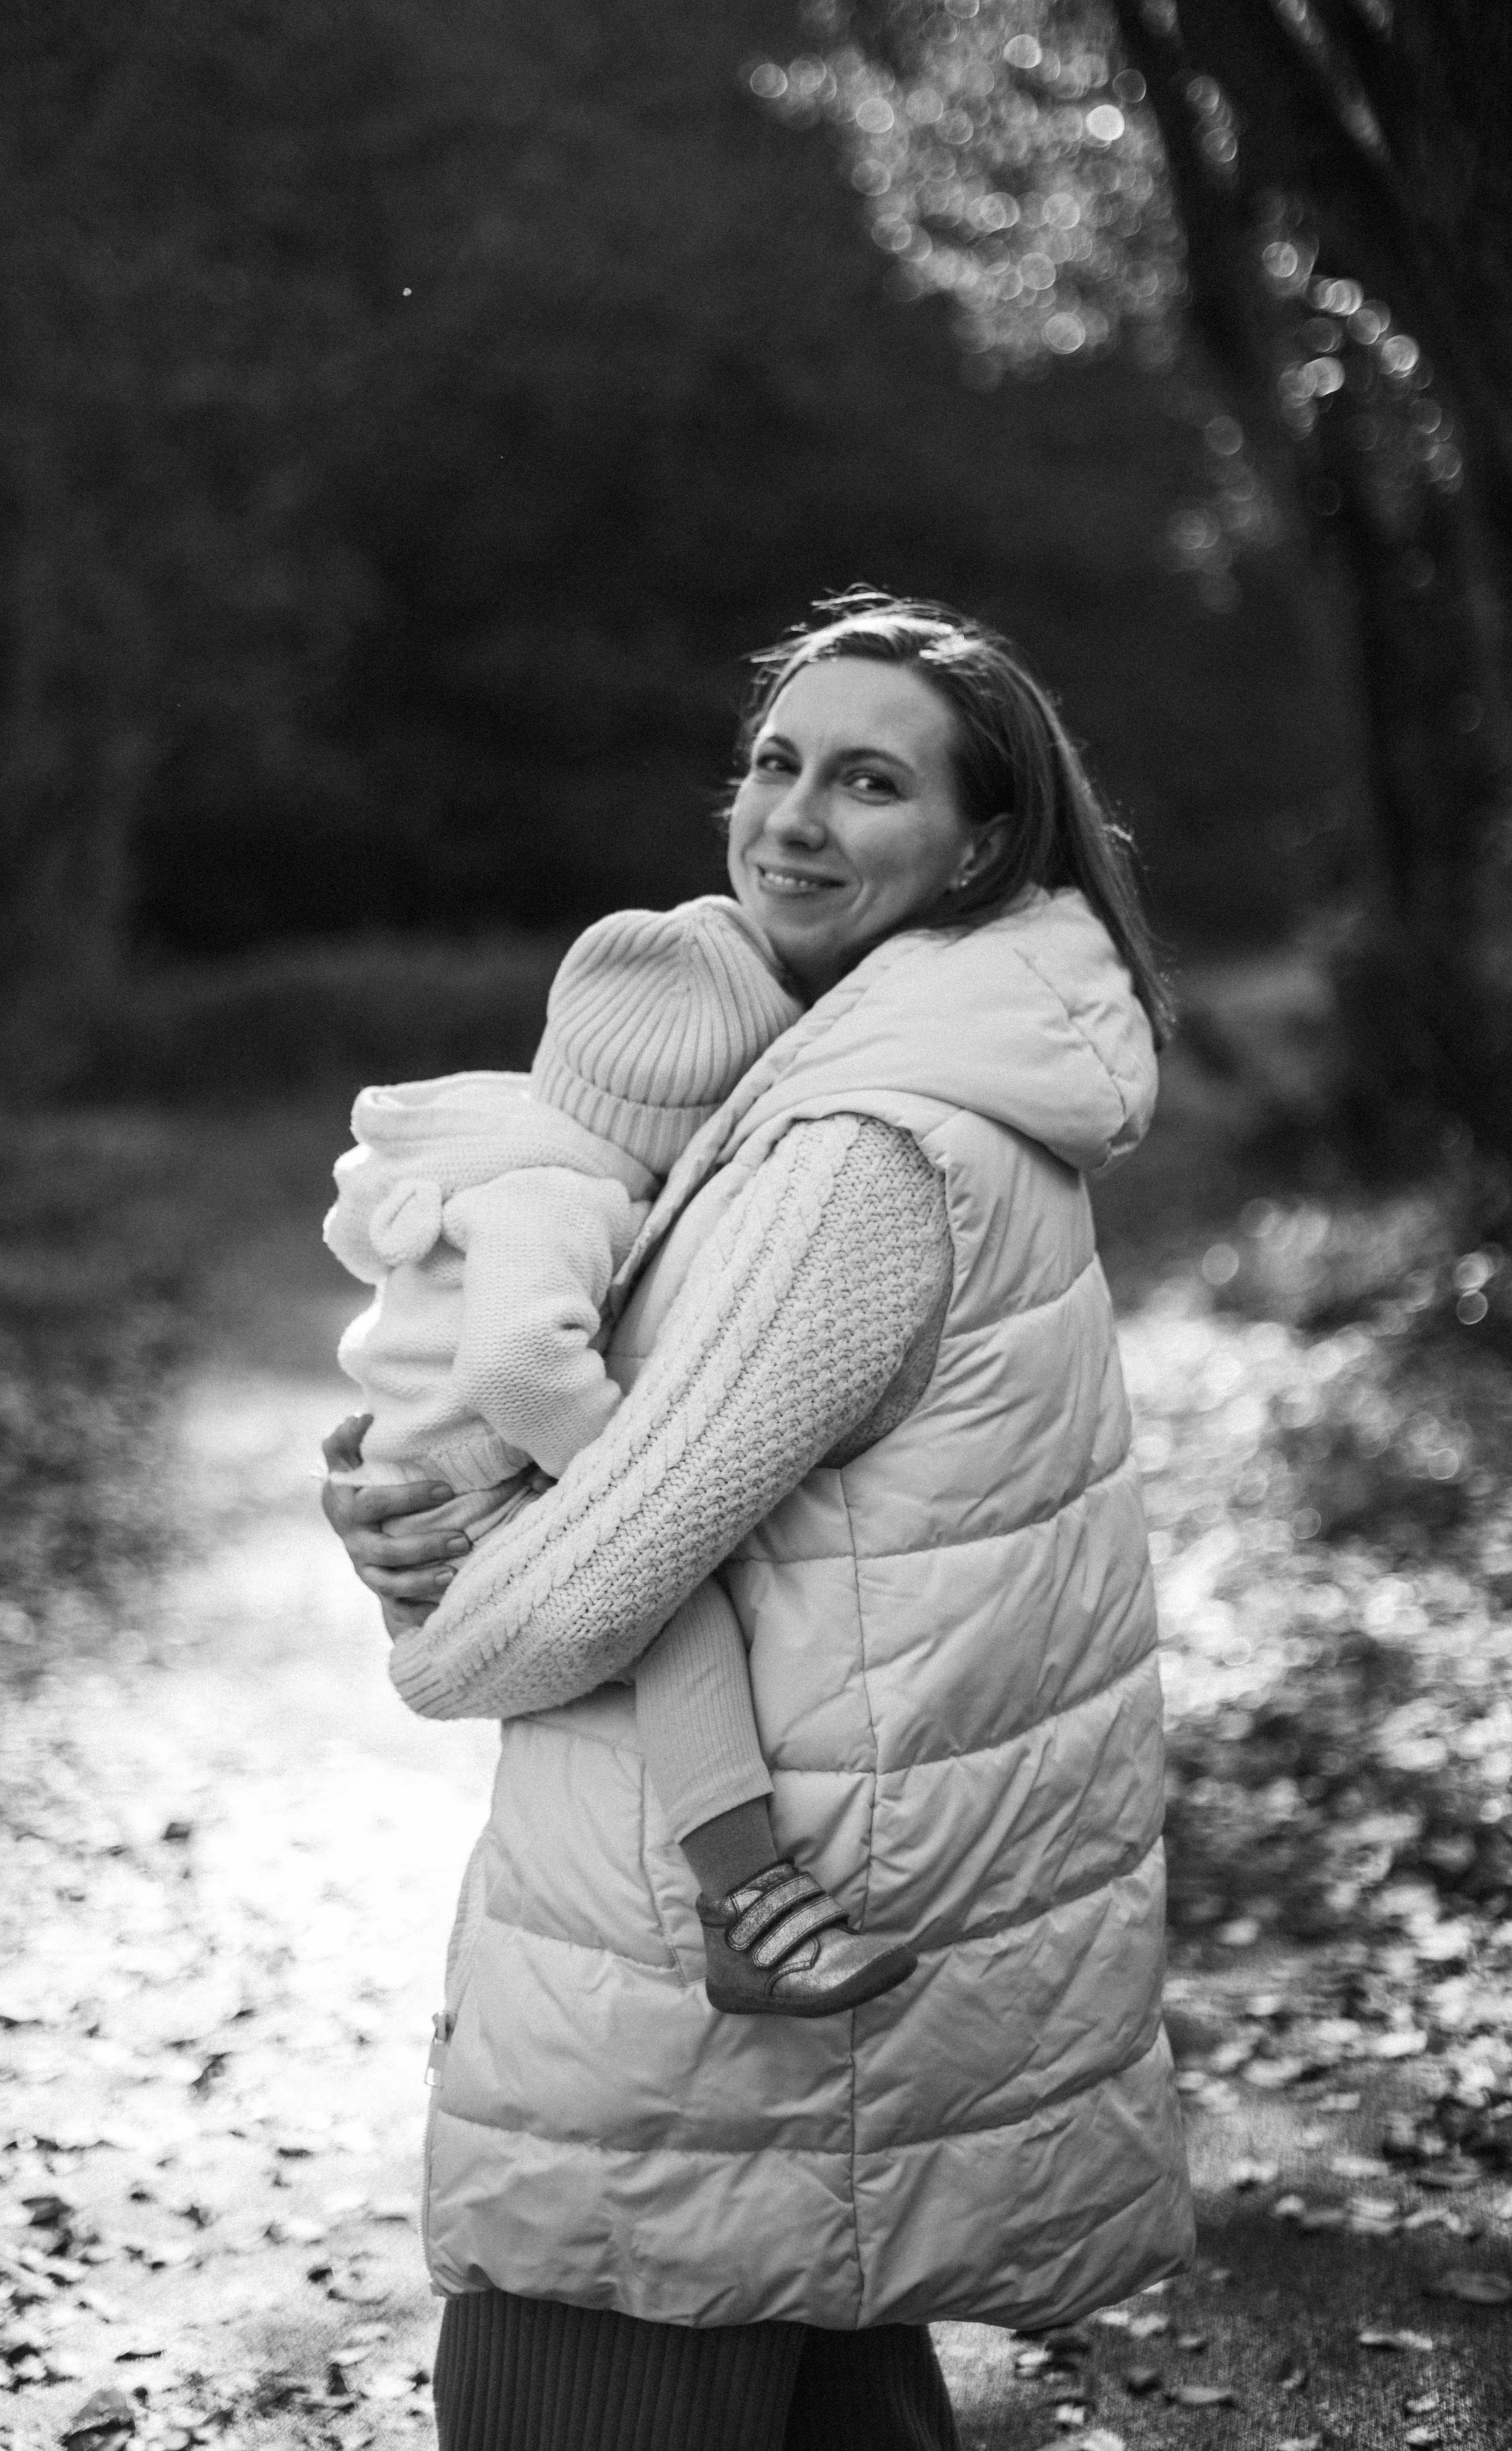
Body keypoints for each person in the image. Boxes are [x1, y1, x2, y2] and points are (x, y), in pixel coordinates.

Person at [323, 592, 1194, 2451]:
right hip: (777, 2005)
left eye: (868, 782)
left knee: (575, 2386)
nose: (791, 816)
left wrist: (435, 1602)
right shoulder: (851, 1086)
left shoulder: (865, 1155)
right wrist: (418, 1499)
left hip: (698, 2015)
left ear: (979, 844)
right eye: (776, 763)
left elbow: (599, 1570)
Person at [322, 897, 915, 2015]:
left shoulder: (498, 1133)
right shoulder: (565, 1191)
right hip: (476, 1486)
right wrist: (620, 1469)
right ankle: (746, 1902)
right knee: (672, 1600)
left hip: (418, 1468)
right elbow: (511, 1363)